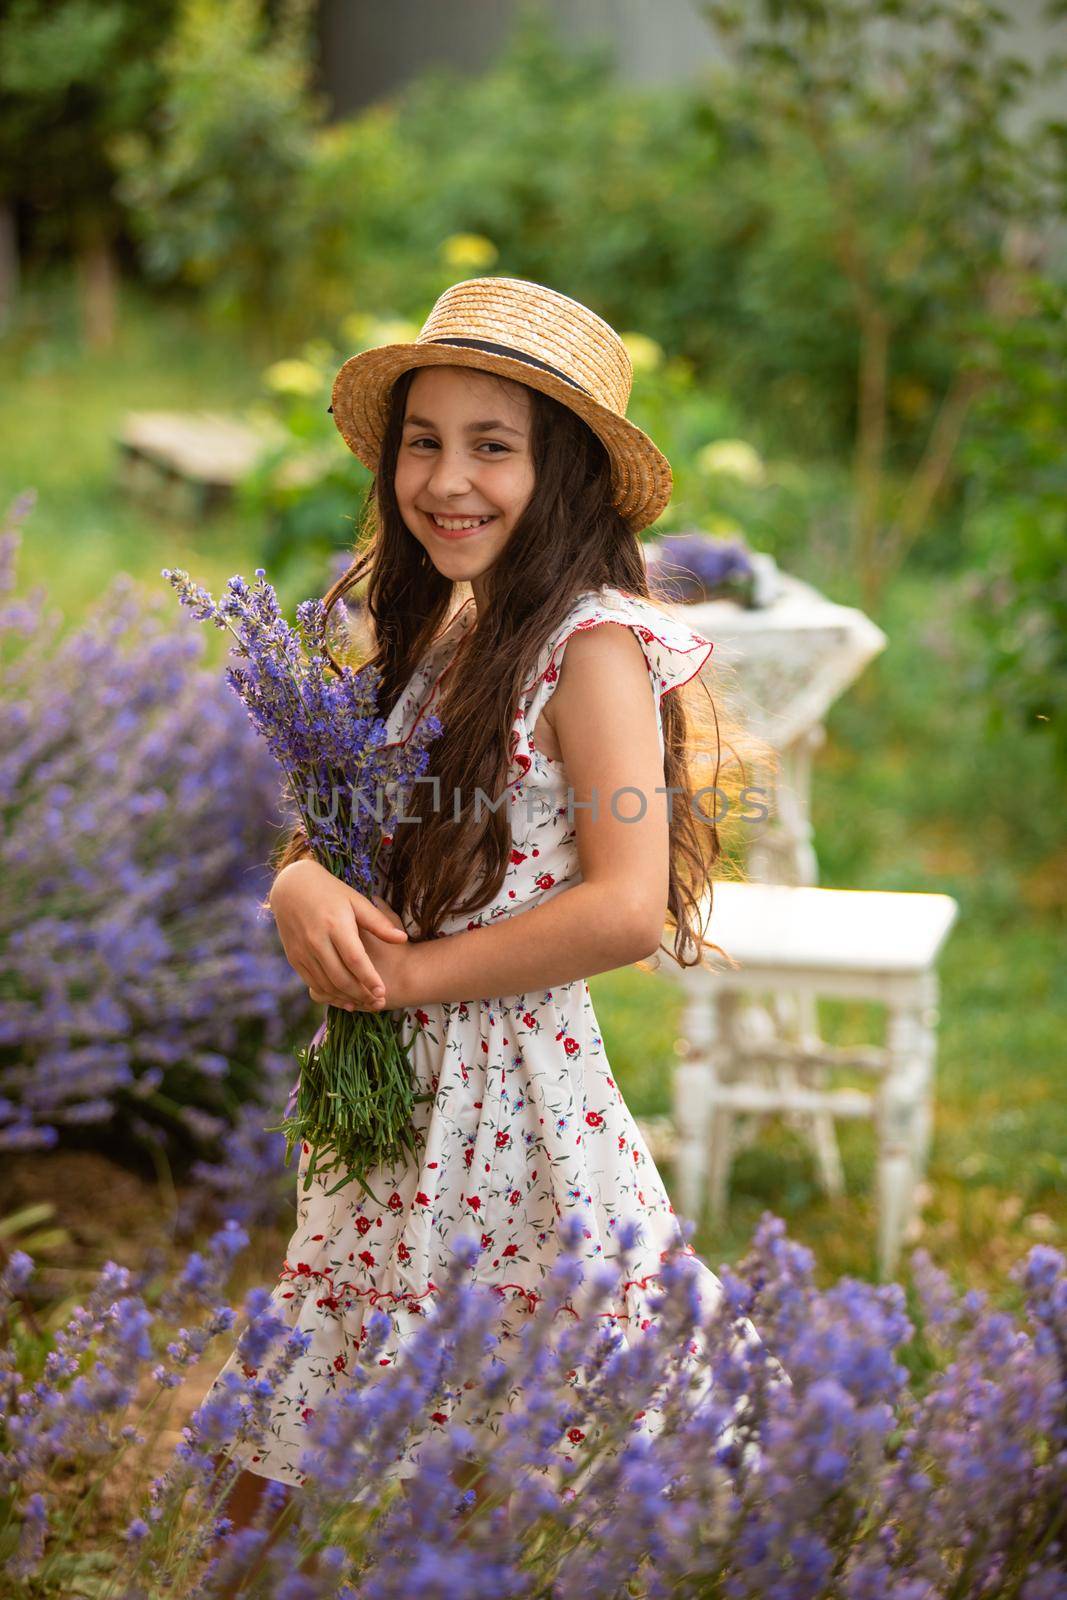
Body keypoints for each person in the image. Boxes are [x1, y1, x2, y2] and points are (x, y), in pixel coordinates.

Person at [202, 276, 769, 1562]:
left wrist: (410, 983)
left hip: (511, 1099)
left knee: (494, 1425)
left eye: (492, 446)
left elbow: (626, 905)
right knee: (329, 1363)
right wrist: (297, 878)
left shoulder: (591, 648)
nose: (446, 478)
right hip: (397, 1090)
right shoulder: (450, 629)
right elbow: (357, 828)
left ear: (562, 471)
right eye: (423, 440)